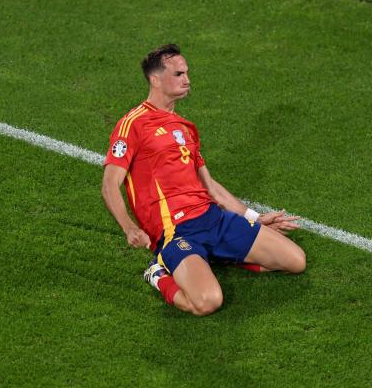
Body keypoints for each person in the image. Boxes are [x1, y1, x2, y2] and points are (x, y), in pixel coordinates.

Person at [101, 44, 305, 316]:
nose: (187, 80)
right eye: (179, 74)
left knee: (296, 261)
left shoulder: (185, 128)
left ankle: (215, 255)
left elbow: (210, 187)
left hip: (214, 219)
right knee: (208, 301)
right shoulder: (133, 123)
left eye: (187, 73)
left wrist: (254, 218)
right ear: (155, 79)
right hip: (177, 230)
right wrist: (129, 228)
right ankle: (158, 274)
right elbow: (109, 185)